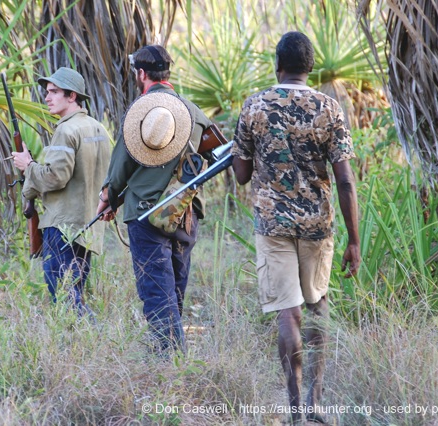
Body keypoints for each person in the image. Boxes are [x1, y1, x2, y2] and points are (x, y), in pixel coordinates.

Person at [232, 32, 361, 424]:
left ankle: (293, 409)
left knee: (288, 316)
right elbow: (345, 180)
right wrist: (354, 240)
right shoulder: (328, 108)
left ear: (277, 64)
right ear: (311, 66)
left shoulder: (255, 105)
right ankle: (315, 401)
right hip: (317, 225)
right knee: (318, 306)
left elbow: (240, 174)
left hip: (273, 224)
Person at [97, 45, 212, 354]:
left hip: (146, 214)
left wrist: (108, 198)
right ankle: (175, 359)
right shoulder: (195, 112)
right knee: (174, 290)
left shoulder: (141, 111)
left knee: (156, 291)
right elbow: (211, 157)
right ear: (168, 74)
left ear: (142, 74)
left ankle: (170, 364)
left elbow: (121, 167)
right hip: (184, 214)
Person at [12, 67, 111, 319]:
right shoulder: (98, 128)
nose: (47, 97)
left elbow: (56, 177)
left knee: (65, 298)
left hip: (63, 226)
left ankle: (89, 338)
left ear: (72, 96)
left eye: (54, 92)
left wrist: (28, 166)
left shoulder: (66, 131)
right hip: (87, 225)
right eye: (47, 92)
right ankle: (85, 345)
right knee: (74, 290)